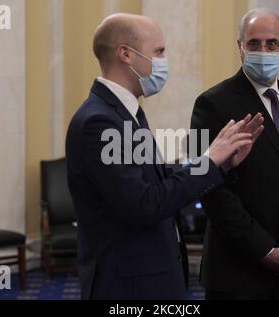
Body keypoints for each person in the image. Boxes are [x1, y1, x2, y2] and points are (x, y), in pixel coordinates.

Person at [65, 13, 264, 300]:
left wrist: (220, 164)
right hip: (128, 286)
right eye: (158, 52)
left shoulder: (126, 113)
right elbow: (144, 205)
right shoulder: (99, 122)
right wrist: (207, 161)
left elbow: (156, 183)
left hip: (148, 277)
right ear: (126, 54)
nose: (163, 61)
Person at [190, 8, 279, 300]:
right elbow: (211, 189)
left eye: (272, 43)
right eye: (253, 43)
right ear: (240, 47)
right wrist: (266, 250)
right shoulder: (212, 104)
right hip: (239, 275)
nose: (263, 50)